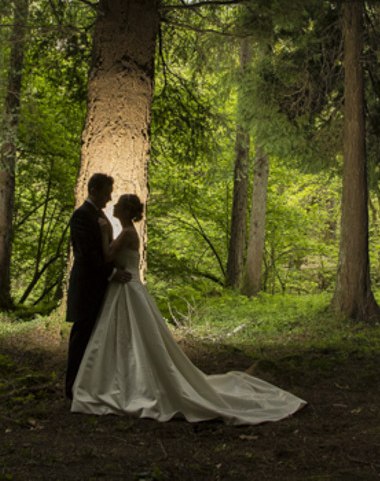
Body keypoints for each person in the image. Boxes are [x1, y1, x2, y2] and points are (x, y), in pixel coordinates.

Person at [70, 193, 305, 425]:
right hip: (125, 289)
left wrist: (103, 233)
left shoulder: (128, 233)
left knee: (132, 339)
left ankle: (131, 383)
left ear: (127, 211)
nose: (114, 205)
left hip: (127, 290)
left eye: (119, 204)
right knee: (128, 339)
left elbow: (108, 254)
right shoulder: (127, 232)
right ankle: (124, 380)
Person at [64, 173, 131, 399]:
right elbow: (86, 255)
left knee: (95, 339)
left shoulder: (99, 215)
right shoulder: (81, 216)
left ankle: (89, 385)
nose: (110, 198)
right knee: (81, 337)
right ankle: (72, 388)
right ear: (93, 190)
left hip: (100, 288)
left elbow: (106, 251)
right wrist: (112, 273)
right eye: (106, 192)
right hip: (86, 288)